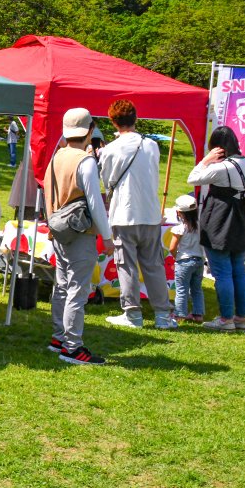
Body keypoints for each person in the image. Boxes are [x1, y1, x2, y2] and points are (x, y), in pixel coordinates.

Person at [98, 100, 176, 330]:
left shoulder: (111, 149)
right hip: (150, 212)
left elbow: (106, 181)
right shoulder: (150, 145)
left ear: (113, 121)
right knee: (154, 265)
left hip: (124, 212)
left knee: (126, 265)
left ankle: (132, 313)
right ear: (135, 118)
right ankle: (163, 315)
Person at [45, 108, 113, 365]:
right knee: (78, 288)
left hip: (58, 228)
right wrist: (106, 237)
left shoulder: (57, 156)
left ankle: (59, 337)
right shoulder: (85, 161)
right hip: (81, 231)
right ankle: (73, 347)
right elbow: (96, 203)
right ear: (91, 128)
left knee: (62, 286)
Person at [188, 126, 245, 331]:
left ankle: (226, 319)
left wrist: (206, 160)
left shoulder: (221, 168)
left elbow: (192, 178)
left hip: (220, 219)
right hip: (242, 220)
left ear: (217, 147)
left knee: (222, 272)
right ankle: (241, 318)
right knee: (238, 268)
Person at [169, 194, 204, 324]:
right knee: (196, 288)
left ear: (179, 212)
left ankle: (179, 314)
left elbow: (172, 247)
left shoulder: (179, 228)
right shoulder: (201, 226)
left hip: (184, 260)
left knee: (182, 288)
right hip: (199, 260)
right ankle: (198, 314)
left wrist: (176, 257)